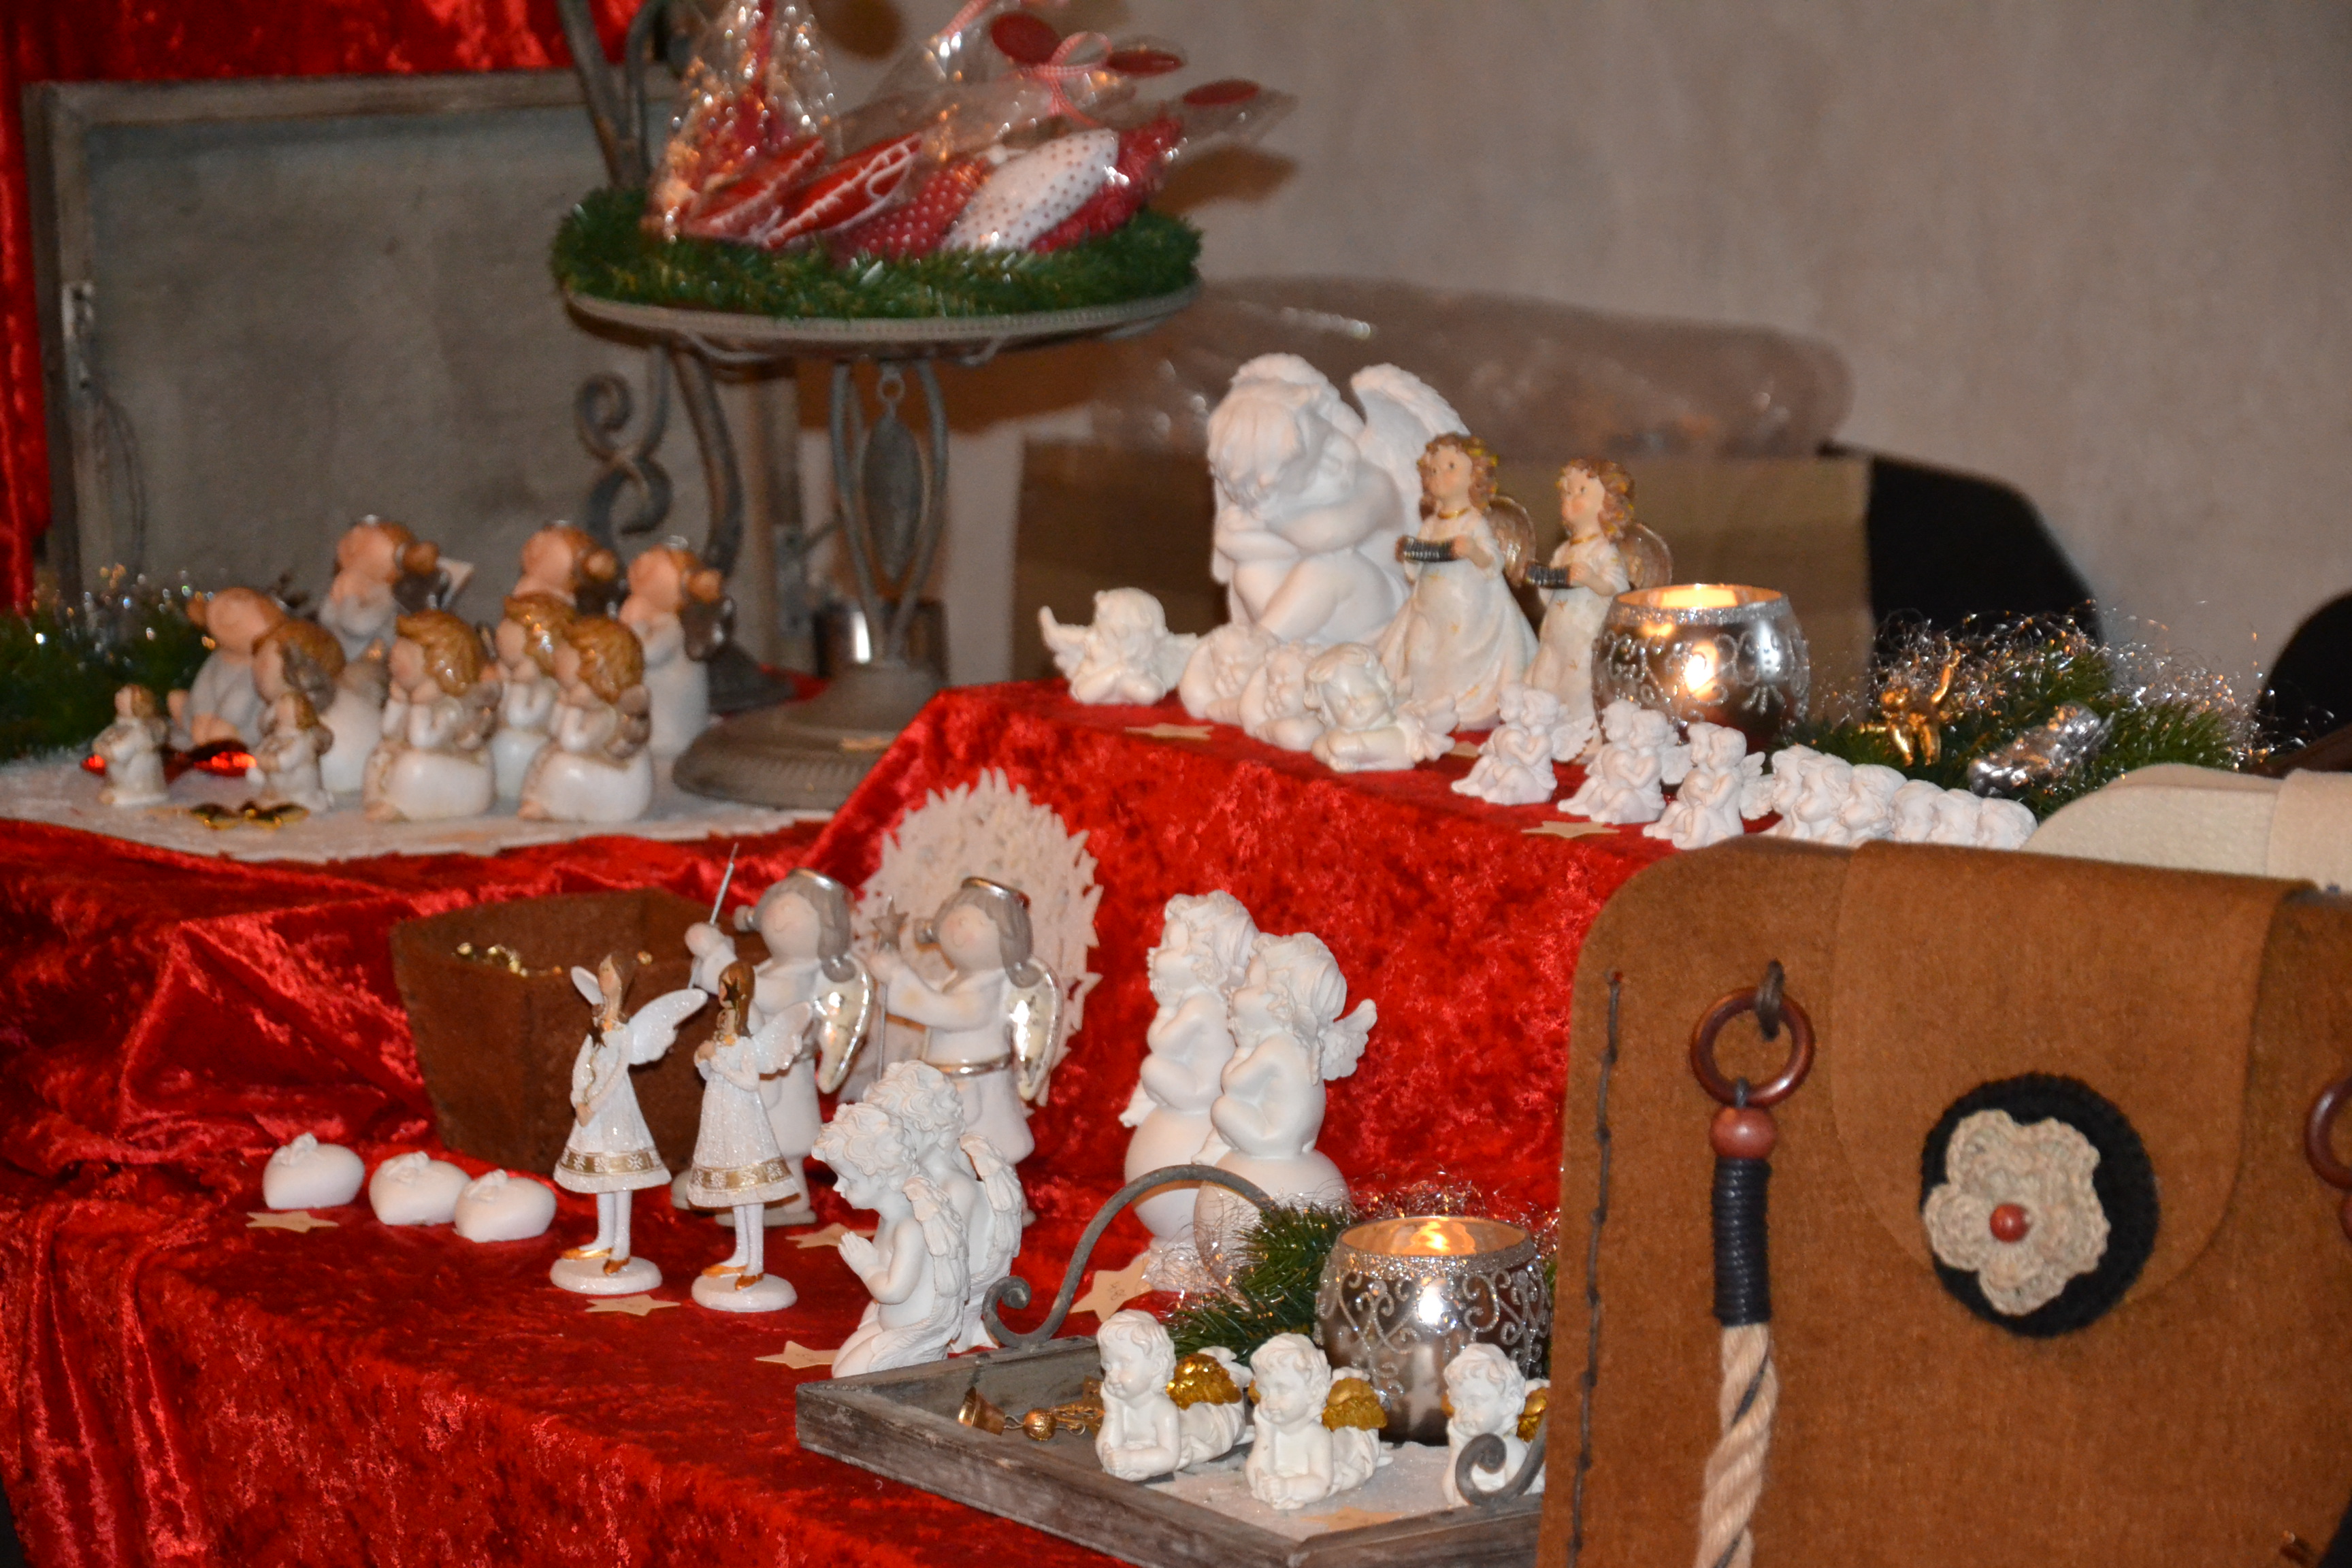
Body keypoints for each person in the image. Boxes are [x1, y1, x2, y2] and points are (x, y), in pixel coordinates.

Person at [1376, 433, 1536, 729]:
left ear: (1474, 476)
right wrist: (1410, 554)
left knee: (1458, 657)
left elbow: (1494, 562)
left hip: (1468, 611)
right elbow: (1414, 571)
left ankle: (1461, 707)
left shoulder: (1473, 522)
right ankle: (1425, 705)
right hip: (1428, 608)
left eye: (1451, 467)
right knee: (1420, 652)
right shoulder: (1430, 525)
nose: (1440, 475)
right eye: (1434, 470)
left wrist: (1473, 551)